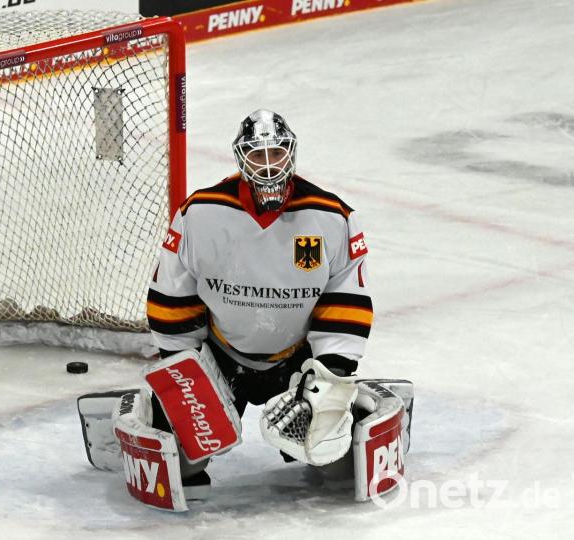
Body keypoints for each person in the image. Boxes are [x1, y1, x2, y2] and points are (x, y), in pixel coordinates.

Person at [78, 110, 376, 510]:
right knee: (182, 467)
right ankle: (147, 409)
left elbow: (346, 300)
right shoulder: (201, 214)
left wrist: (331, 377)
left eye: (277, 153)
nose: (268, 165)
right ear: (240, 158)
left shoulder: (331, 217)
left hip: (297, 361)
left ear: (292, 154)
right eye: (257, 156)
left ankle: (355, 406)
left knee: (338, 467)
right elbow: (171, 296)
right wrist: (184, 372)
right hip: (220, 359)